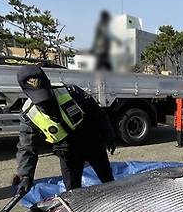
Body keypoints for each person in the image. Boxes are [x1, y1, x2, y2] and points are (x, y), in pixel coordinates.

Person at [14, 65, 116, 194]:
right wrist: (25, 176)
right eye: (40, 101)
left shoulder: (72, 92)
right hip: (68, 155)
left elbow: (98, 114)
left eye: (46, 97)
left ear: (49, 84)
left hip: (93, 144)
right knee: (72, 192)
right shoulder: (28, 115)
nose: (45, 104)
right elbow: (26, 148)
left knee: (109, 182)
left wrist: (109, 136)